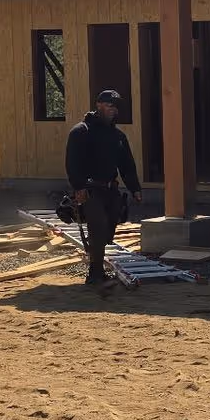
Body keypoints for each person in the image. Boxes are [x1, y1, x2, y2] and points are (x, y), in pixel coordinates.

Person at [65, 88, 142, 287]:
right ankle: (95, 273)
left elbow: (127, 164)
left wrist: (135, 188)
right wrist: (78, 187)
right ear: (98, 106)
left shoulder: (117, 136)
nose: (113, 110)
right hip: (90, 190)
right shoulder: (81, 131)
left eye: (115, 107)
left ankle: (97, 265)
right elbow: (72, 162)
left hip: (111, 190)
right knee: (97, 228)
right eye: (109, 106)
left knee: (108, 230)